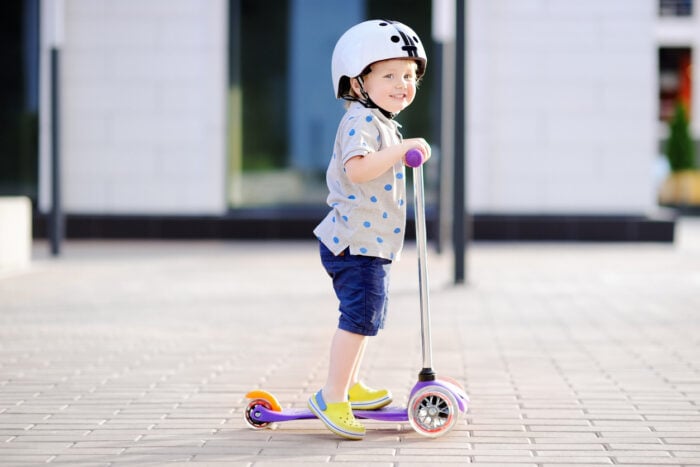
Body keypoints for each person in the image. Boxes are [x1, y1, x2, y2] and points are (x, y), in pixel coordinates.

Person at [309, 19, 431, 440]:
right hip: (353, 243)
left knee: (368, 318)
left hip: (369, 243)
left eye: (409, 76)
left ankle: (351, 386)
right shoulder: (361, 123)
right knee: (359, 319)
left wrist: (400, 147)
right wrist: (401, 150)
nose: (403, 84)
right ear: (358, 82)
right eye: (390, 75)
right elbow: (357, 170)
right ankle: (332, 396)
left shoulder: (381, 122)